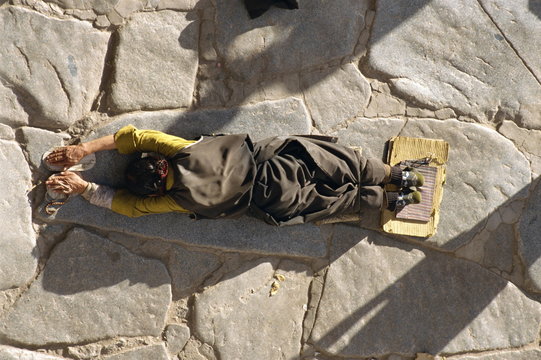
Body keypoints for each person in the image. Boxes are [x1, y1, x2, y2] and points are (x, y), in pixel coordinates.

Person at [45, 125, 423, 226]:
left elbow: (126, 207)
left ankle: (393, 200)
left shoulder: (173, 200)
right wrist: (87, 149)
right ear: (159, 163)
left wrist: (84, 188)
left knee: (338, 200)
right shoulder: (180, 150)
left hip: (275, 200)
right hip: (281, 162)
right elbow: (136, 136)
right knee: (342, 162)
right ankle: (397, 173)